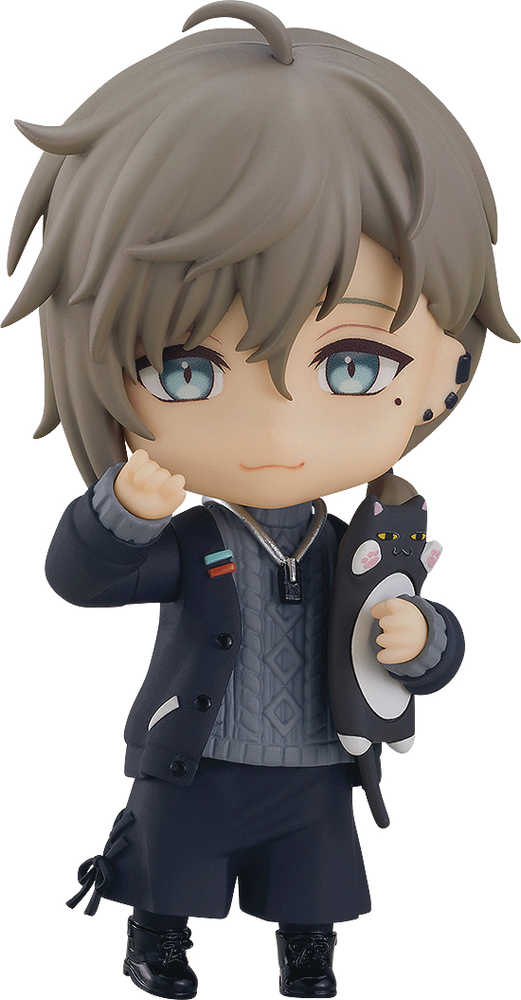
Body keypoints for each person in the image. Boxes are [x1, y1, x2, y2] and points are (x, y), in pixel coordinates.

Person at [4, 3, 517, 997]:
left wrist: (425, 639)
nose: (279, 434)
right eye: (186, 370)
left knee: (311, 877)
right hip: (198, 752)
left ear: (444, 366)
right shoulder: (195, 534)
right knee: (171, 859)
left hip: (317, 760)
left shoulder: (361, 539)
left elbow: (415, 635)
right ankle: (157, 937)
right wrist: (124, 511)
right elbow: (81, 578)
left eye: (354, 364)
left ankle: (306, 950)